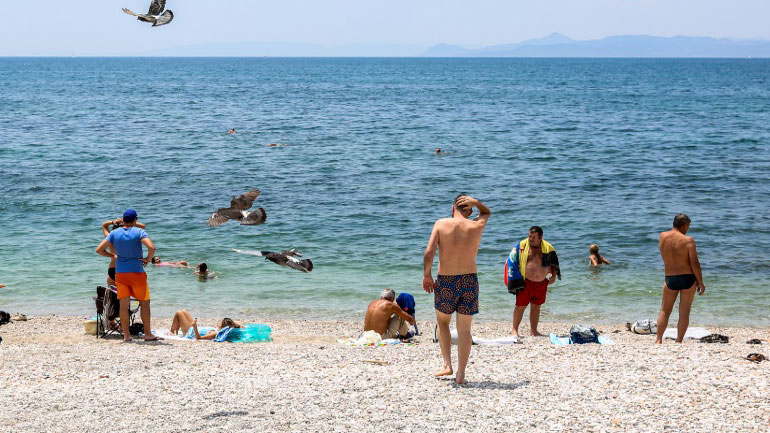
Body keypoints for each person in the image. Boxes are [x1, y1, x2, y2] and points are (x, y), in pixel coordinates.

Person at [423, 194, 490, 385]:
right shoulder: (476, 225)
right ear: (469, 211)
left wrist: (427, 275)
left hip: (446, 280)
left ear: (453, 208)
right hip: (469, 280)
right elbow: (487, 212)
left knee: (443, 323)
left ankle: (447, 365)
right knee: (464, 330)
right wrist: (476, 203)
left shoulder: (441, 223)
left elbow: (429, 253)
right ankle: (461, 373)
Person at [95, 209, 160, 342]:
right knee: (145, 303)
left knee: (124, 306)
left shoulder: (114, 233)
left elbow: (99, 250)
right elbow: (152, 248)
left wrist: (113, 255)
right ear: (135, 220)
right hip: (137, 273)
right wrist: (147, 259)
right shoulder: (139, 231)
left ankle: (126, 336)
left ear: (123, 220)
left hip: (121, 274)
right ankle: (147, 334)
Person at [655, 213, 705, 344]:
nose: (688, 228)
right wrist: (701, 282)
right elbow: (694, 263)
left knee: (664, 310)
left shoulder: (662, 236)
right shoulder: (688, 240)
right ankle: (678, 341)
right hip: (687, 278)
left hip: (670, 278)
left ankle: (659, 340)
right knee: (684, 312)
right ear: (684, 225)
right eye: (688, 226)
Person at [508, 226, 560, 337]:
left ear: (540, 237)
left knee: (536, 306)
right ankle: (514, 330)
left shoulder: (548, 247)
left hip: (541, 283)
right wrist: (513, 279)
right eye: (529, 236)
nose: (530, 239)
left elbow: (554, 262)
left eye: (533, 237)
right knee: (520, 306)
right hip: (526, 282)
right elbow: (512, 260)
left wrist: (554, 276)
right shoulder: (522, 246)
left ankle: (534, 331)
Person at [102, 218, 146, 286]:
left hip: (113, 269)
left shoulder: (110, 237)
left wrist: (113, 222)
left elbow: (104, 225)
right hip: (128, 269)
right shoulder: (131, 237)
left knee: (111, 293)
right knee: (127, 294)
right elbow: (143, 226)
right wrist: (126, 222)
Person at [169, 309, 242, 340]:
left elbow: (199, 338)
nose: (219, 322)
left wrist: (195, 326)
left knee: (178, 313)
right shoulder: (218, 330)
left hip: (189, 332)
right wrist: (239, 325)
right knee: (183, 311)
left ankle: (172, 332)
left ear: (222, 326)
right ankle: (175, 331)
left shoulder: (214, 333)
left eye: (221, 322)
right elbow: (233, 323)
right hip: (191, 328)